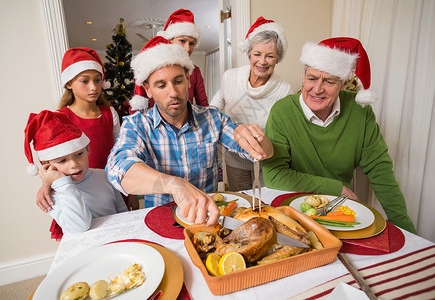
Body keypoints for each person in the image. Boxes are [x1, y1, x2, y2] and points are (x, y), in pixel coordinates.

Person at [107, 36, 273, 226]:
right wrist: (175, 185)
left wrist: (255, 138)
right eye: (161, 85)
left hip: (209, 218)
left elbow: (265, 152)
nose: (173, 93)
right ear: (148, 90)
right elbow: (118, 168)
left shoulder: (212, 118)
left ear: (188, 80)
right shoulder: (136, 125)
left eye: (178, 81)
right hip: (163, 220)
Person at [262, 37, 416, 233]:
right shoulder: (282, 111)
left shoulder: (360, 111)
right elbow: (275, 176)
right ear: (303, 77)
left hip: (340, 211)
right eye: (311, 78)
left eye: (329, 81)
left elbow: (380, 170)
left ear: (344, 83)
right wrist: (337, 188)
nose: (317, 89)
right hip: (294, 212)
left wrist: (406, 230)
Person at [210, 17, 293, 191]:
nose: (262, 61)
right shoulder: (230, 77)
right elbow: (215, 106)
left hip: (268, 162)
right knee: (241, 205)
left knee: (267, 206)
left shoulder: (284, 90)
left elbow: (285, 131)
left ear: (277, 59)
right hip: (234, 159)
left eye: (270, 56)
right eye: (257, 54)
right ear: (249, 53)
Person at [24, 110, 127, 236]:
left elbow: (122, 212)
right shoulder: (52, 195)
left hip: (117, 241)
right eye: (62, 160)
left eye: (79, 154)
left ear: (87, 149)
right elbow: (79, 227)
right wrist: (63, 185)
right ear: (47, 164)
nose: (73, 164)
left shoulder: (104, 176)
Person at [130, 9, 208, 111]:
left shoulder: (195, 71)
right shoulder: (152, 68)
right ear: (169, 40)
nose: (187, 48)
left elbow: (203, 105)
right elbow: (136, 108)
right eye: (182, 41)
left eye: (192, 43)